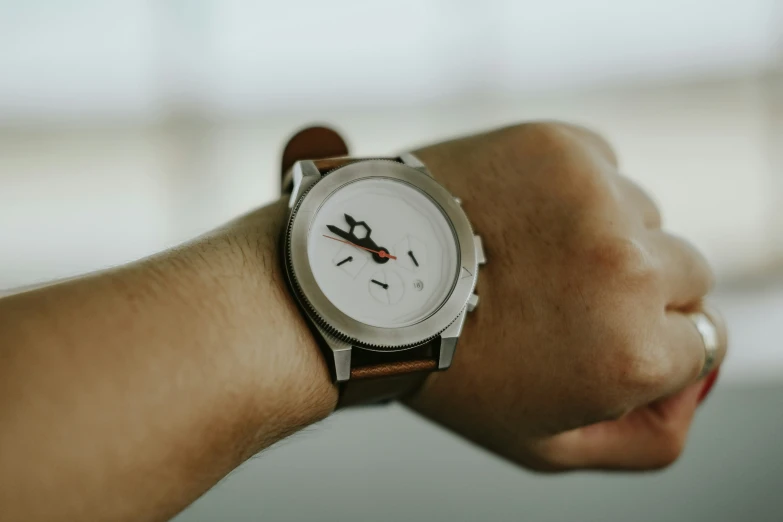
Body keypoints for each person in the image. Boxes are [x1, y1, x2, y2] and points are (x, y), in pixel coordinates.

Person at [0, 122, 727, 522]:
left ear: (468, 262)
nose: (381, 251)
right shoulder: (325, 210)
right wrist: (274, 310)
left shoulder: (448, 285)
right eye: (372, 244)